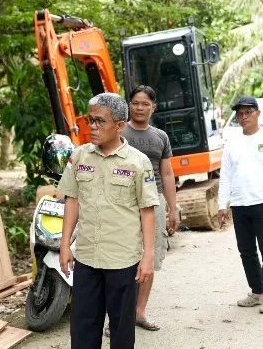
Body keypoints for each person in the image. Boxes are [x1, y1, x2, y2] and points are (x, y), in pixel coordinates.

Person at [57, 92, 159, 349]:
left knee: (121, 329)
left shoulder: (138, 162)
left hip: (122, 259)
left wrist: (147, 257)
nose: (92, 127)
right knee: (83, 327)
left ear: (119, 125)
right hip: (87, 257)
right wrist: (65, 244)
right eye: (90, 120)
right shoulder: (79, 157)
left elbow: (147, 210)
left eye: (100, 121)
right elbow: (73, 200)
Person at [217, 96, 263, 315]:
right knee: (246, 251)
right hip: (240, 205)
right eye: (239, 113)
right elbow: (226, 175)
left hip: (262, 204)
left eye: (248, 112)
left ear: (258, 113)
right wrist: (222, 204)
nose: (243, 117)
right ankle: (256, 292)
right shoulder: (232, 142)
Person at [119, 85, 178, 332]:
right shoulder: (120, 131)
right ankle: (119, 318)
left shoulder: (160, 137)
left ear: (153, 107)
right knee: (122, 261)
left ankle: (139, 313)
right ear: (128, 105)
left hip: (154, 203)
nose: (140, 108)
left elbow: (166, 173)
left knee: (149, 259)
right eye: (135, 103)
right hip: (123, 204)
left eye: (145, 104)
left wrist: (173, 209)